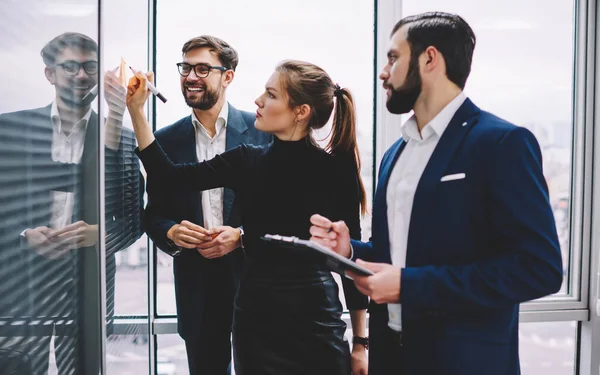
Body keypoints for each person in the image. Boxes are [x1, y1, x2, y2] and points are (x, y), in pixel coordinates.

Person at [309, 11, 564, 375]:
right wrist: (348, 250)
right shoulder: (394, 154)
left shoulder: (501, 143)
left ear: (430, 59)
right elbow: (394, 256)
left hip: (465, 362)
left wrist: (409, 286)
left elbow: (539, 269)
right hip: (392, 358)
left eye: (394, 58)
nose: (384, 72)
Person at [127, 60, 369, 375]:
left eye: (270, 95)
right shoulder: (246, 160)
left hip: (316, 322)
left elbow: (352, 262)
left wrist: (361, 343)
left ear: (301, 111)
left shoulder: (337, 171)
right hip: (255, 321)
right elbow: (170, 178)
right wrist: (136, 112)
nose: (258, 100)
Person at [0, 32, 143, 374]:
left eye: (89, 67)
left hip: (87, 288)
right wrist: (24, 234)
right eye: (70, 67)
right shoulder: (11, 129)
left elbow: (135, 218)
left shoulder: (119, 136)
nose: (81, 75)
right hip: (23, 282)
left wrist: (99, 235)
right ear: (50, 73)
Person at [143, 35, 271, 375]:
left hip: (257, 279)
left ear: (227, 76)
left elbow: (283, 212)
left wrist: (241, 234)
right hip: (196, 284)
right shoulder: (166, 141)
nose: (190, 77)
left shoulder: (263, 133)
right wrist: (170, 230)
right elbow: (152, 213)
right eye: (185, 68)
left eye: (202, 68)